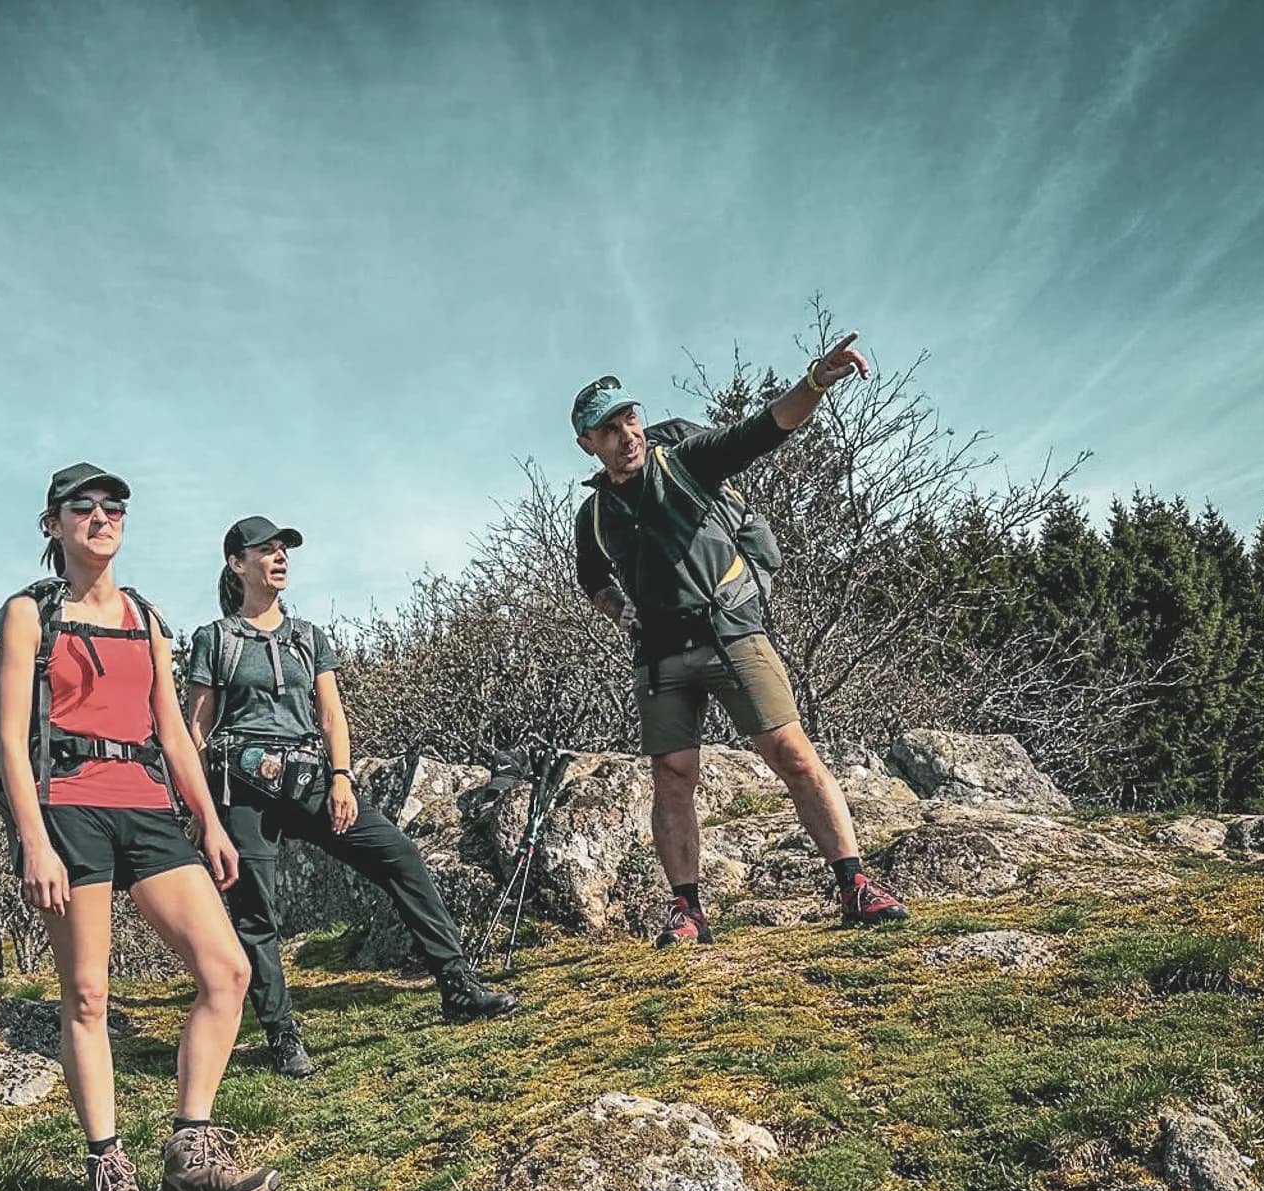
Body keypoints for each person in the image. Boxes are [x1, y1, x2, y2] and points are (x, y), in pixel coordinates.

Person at [0, 463, 277, 1191]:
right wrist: (33, 840)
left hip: (146, 805)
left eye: (112, 505)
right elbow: (11, 740)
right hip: (69, 809)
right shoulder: (29, 614)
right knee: (86, 996)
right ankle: (107, 1165)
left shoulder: (145, 617)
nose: (100, 515)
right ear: (52, 525)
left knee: (228, 971)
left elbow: (175, 731)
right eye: (81, 506)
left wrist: (210, 822)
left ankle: (190, 1143)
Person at [569, 331, 910, 943]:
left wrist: (814, 383)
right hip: (659, 657)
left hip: (731, 633)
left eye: (630, 419)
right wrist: (622, 614)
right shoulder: (592, 514)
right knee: (673, 777)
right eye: (610, 429)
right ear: (587, 444)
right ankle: (688, 911)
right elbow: (592, 579)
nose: (627, 435)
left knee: (792, 754)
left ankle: (856, 885)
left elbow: (763, 429)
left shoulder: (687, 462)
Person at [185, 517, 519, 1078]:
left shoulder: (309, 637)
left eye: (283, 549)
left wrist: (341, 777)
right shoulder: (214, 640)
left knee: (400, 856)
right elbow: (197, 728)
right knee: (255, 912)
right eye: (265, 550)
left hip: (310, 777)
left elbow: (332, 714)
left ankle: (458, 987)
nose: (279, 557)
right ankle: (281, 1035)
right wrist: (201, 814)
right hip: (238, 790)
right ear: (236, 564)